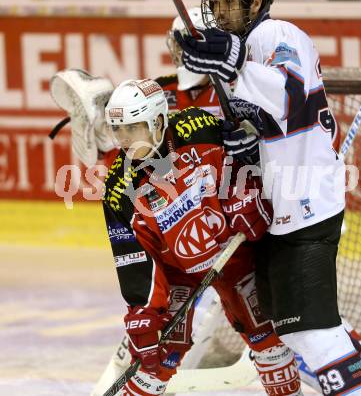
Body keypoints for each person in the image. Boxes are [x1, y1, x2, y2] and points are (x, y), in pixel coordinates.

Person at [174, 0, 361, 395]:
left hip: (308, 204)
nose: (220, 14)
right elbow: (269, 126)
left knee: (313, 332)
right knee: (294, 330)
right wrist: (244, 141)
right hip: (282, 211)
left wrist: (233, 61)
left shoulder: (276, 34)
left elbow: (287, 94)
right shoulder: (243, 55)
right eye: (215, 3)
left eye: (230, 3)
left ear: (256, 3)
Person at [102, 78, 305, 396]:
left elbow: (248, 158)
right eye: (118, 130)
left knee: (266, 338)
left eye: (133, 127)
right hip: (176, 272)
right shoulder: (118, 188)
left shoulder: (200, 128)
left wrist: (248, 199)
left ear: (158, 121)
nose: (124, 139)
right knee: (158, 358)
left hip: (232, 252)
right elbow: (133, 258)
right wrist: (143, 313)